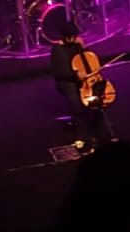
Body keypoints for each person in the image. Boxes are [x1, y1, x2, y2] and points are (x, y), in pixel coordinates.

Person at [50, 21, 116, 155]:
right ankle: (80, 133)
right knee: (76, 102)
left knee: (98, 96)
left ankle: (102, 127)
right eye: (70, 36)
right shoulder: (57, 50)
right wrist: (76, 74)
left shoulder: (77, 45)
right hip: (67, 82)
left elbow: (88, 61)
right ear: (64, 36)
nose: (73, 39)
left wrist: (84, 48)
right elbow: (60, 73)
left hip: (84, 80)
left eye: (74, 36)